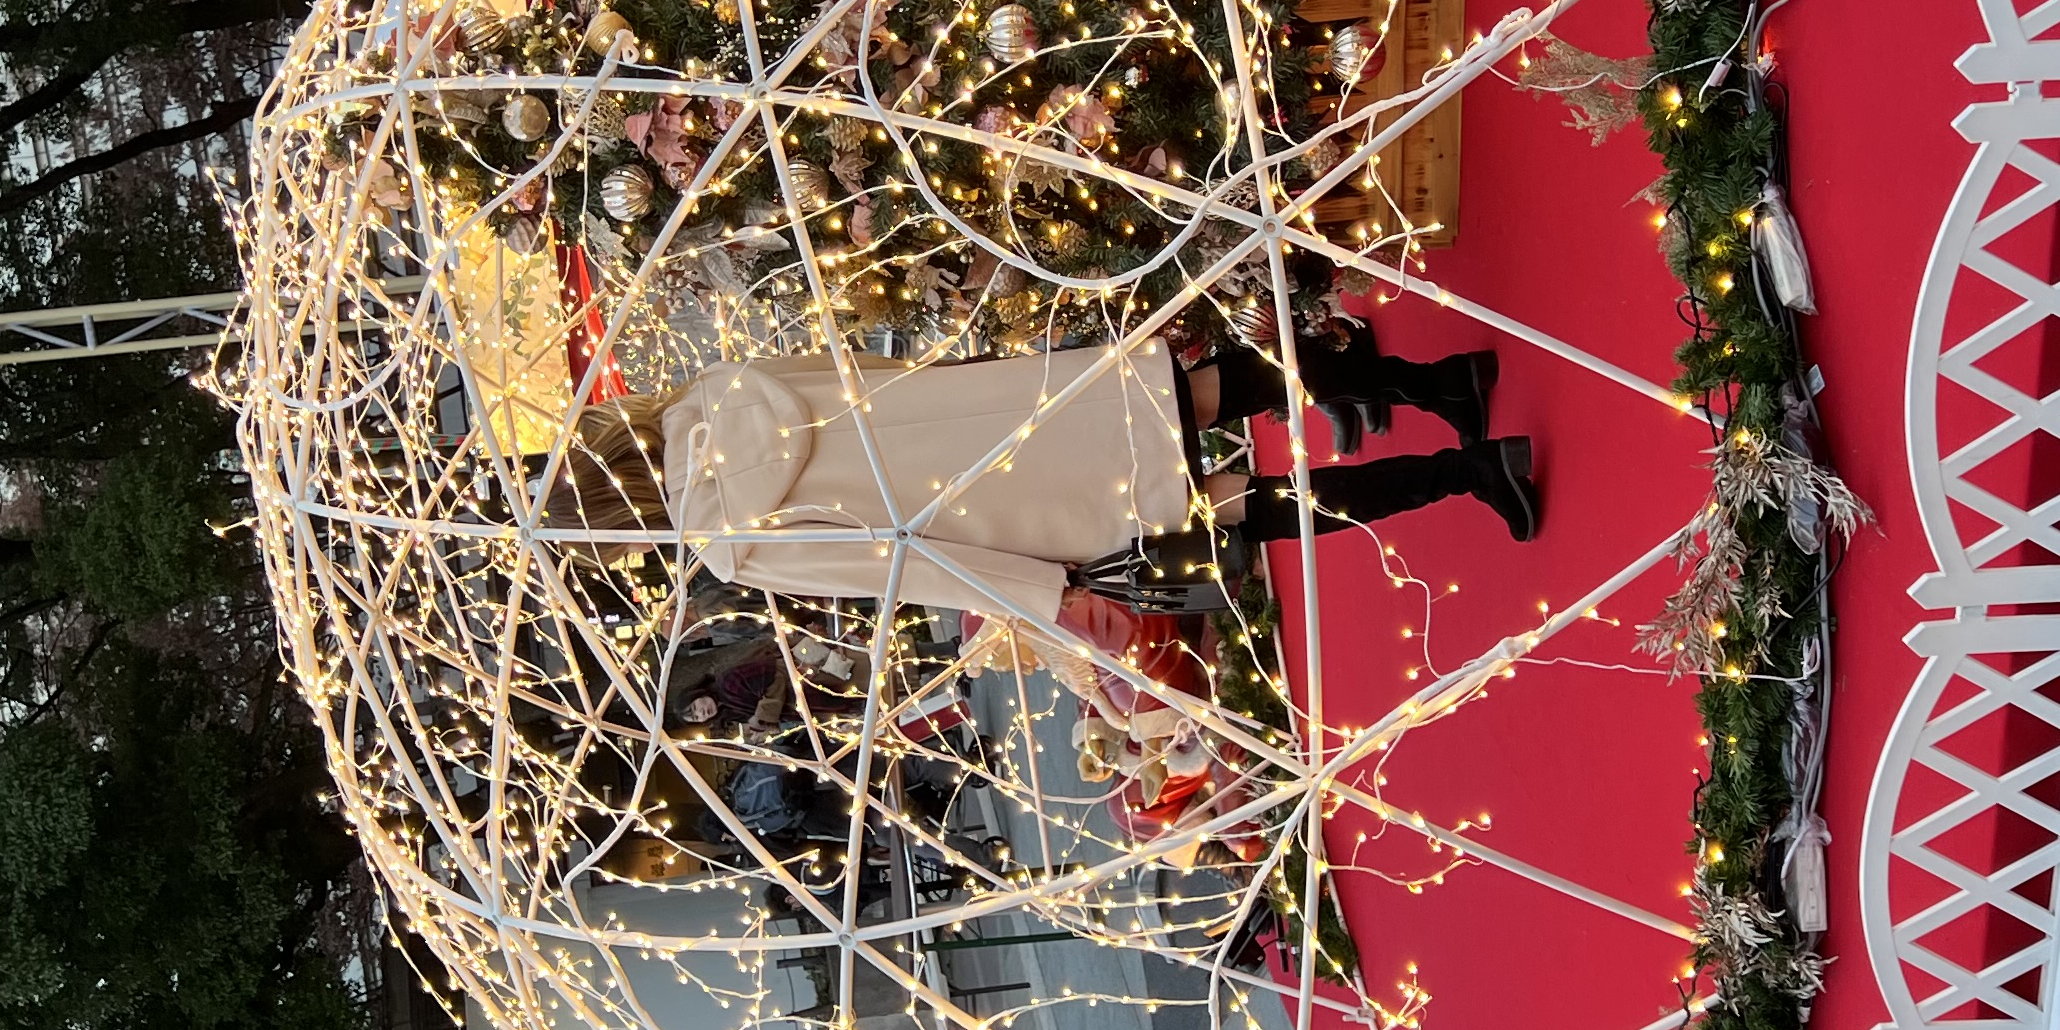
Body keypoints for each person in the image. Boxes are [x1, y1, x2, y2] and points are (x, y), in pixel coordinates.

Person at [648, 329, 1536, 643]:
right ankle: (1439, 384)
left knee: (1247, 511)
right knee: (1209, 394)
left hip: (1020, 509)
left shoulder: (732, 540)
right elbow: (861, 367)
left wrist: (1047, 597)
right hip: (1005, 409)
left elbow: (903, 565)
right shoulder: (710, 397)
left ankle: (1472, 471)